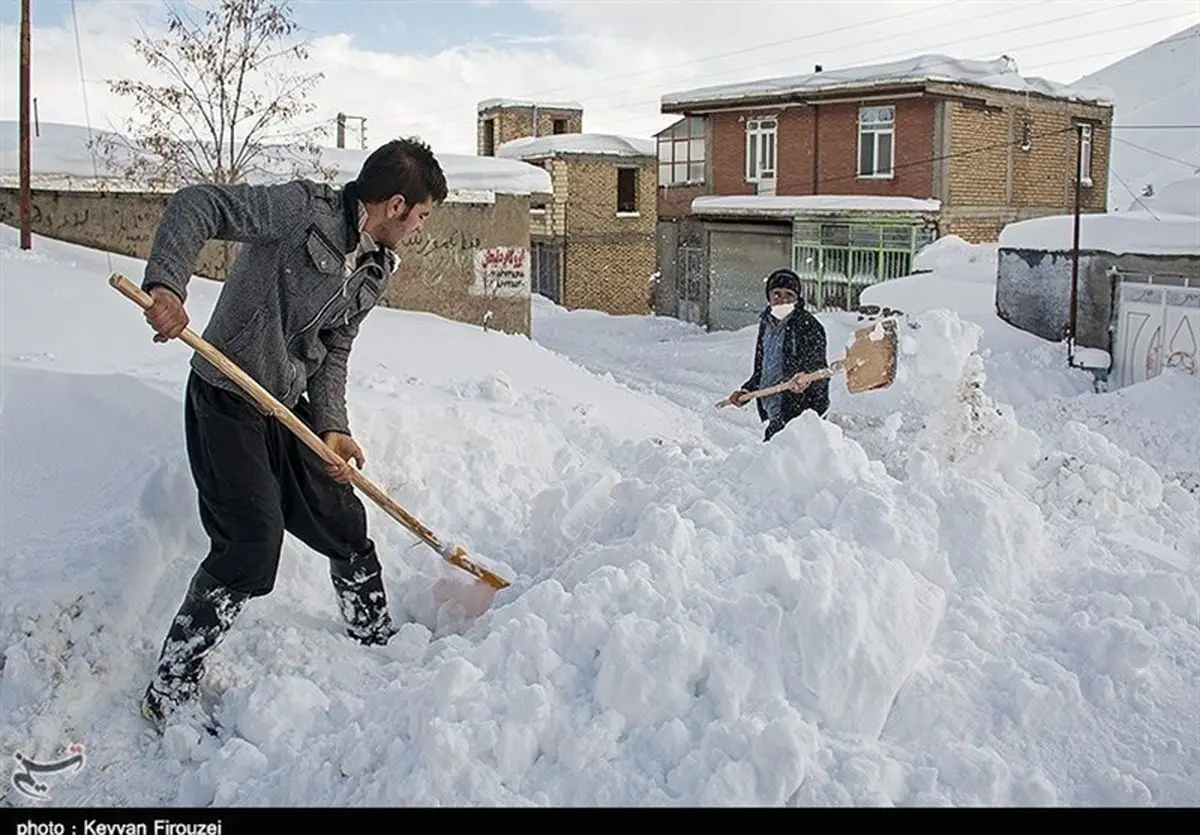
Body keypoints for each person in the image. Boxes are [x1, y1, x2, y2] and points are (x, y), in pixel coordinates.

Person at [137, 138, 448, 733]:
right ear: (397, 205)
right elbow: (196, 204)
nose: (421, 229)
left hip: (285, 404)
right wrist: (168, 288)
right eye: (423, 217)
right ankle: (168, 688)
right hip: (226, 398)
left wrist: (332, 427)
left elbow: (334, 351)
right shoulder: (299, 210)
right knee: (250, 543)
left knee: (344, 522)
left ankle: (373, 634)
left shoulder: (376, 268)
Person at [726, 268, 830, 441]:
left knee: (777, 463)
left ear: (797, 298)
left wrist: (805, 378)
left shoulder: (808, 326)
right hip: (775, 411)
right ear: (769, 296)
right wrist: (746, 391)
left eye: (789, 294)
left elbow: (819, 368)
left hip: (800, 413)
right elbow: (763, 369)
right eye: (777, 294)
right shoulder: (766, 325)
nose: (782, 299)